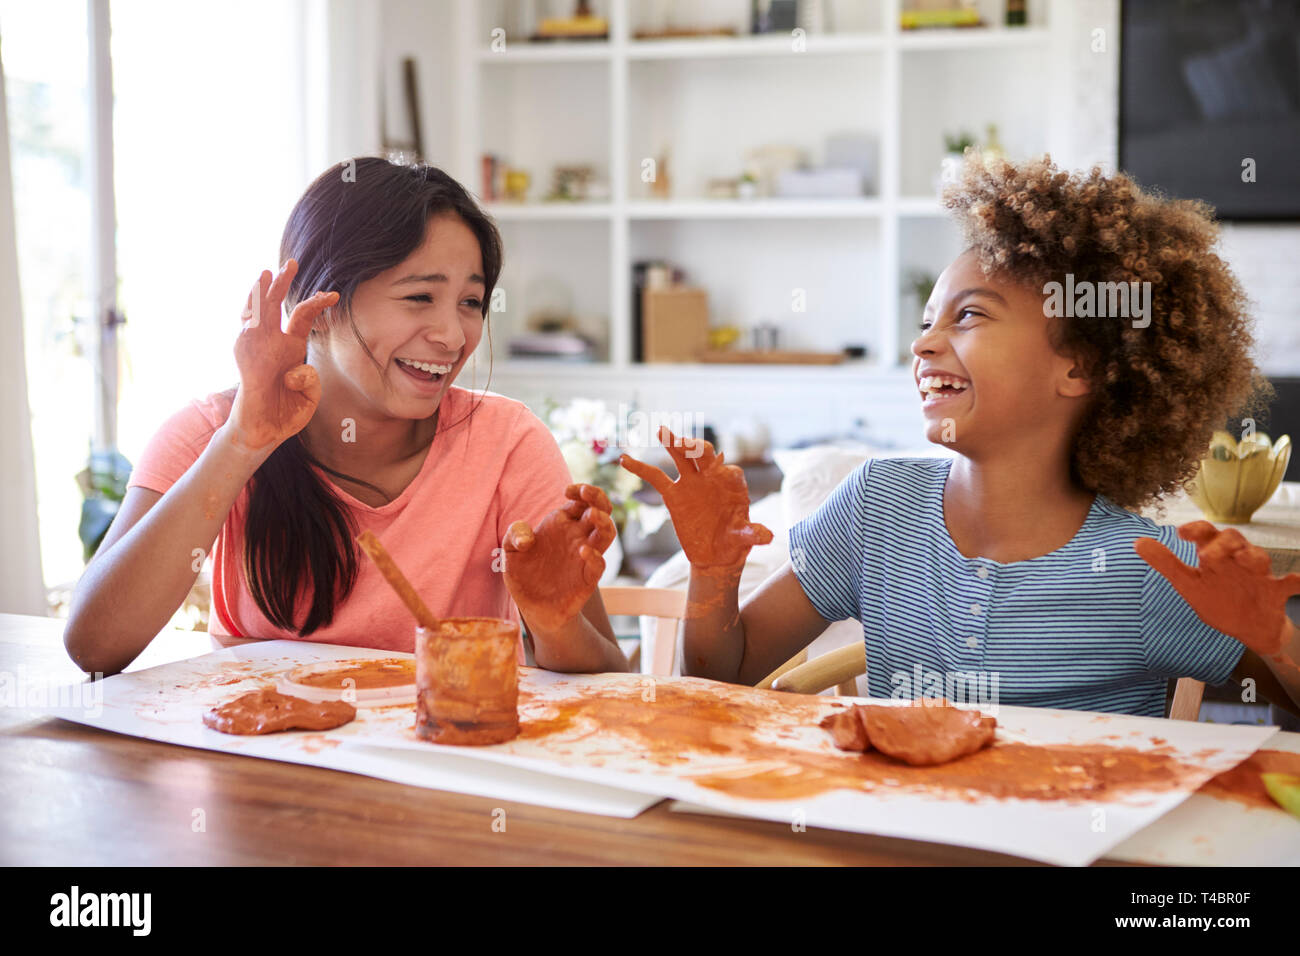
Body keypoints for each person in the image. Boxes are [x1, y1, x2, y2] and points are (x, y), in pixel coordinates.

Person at [622, 155, 1300, 718]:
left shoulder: (1146, 567)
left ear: (1080, 366)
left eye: (968, 316)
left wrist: (1275, 640)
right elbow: (723, 677)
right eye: (926, 320)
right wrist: (713, 572)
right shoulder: (877, 508)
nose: (923, 343)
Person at [65, 158, 627, 676]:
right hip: (259, 766)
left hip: (442, 765)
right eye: (418, 298)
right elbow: (94, 645)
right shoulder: (212, 431)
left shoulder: (507, 443)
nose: (454, 337)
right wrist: (242, 444)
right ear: (318, 305)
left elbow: (609, 684)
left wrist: (554, 624)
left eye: (470, 303)